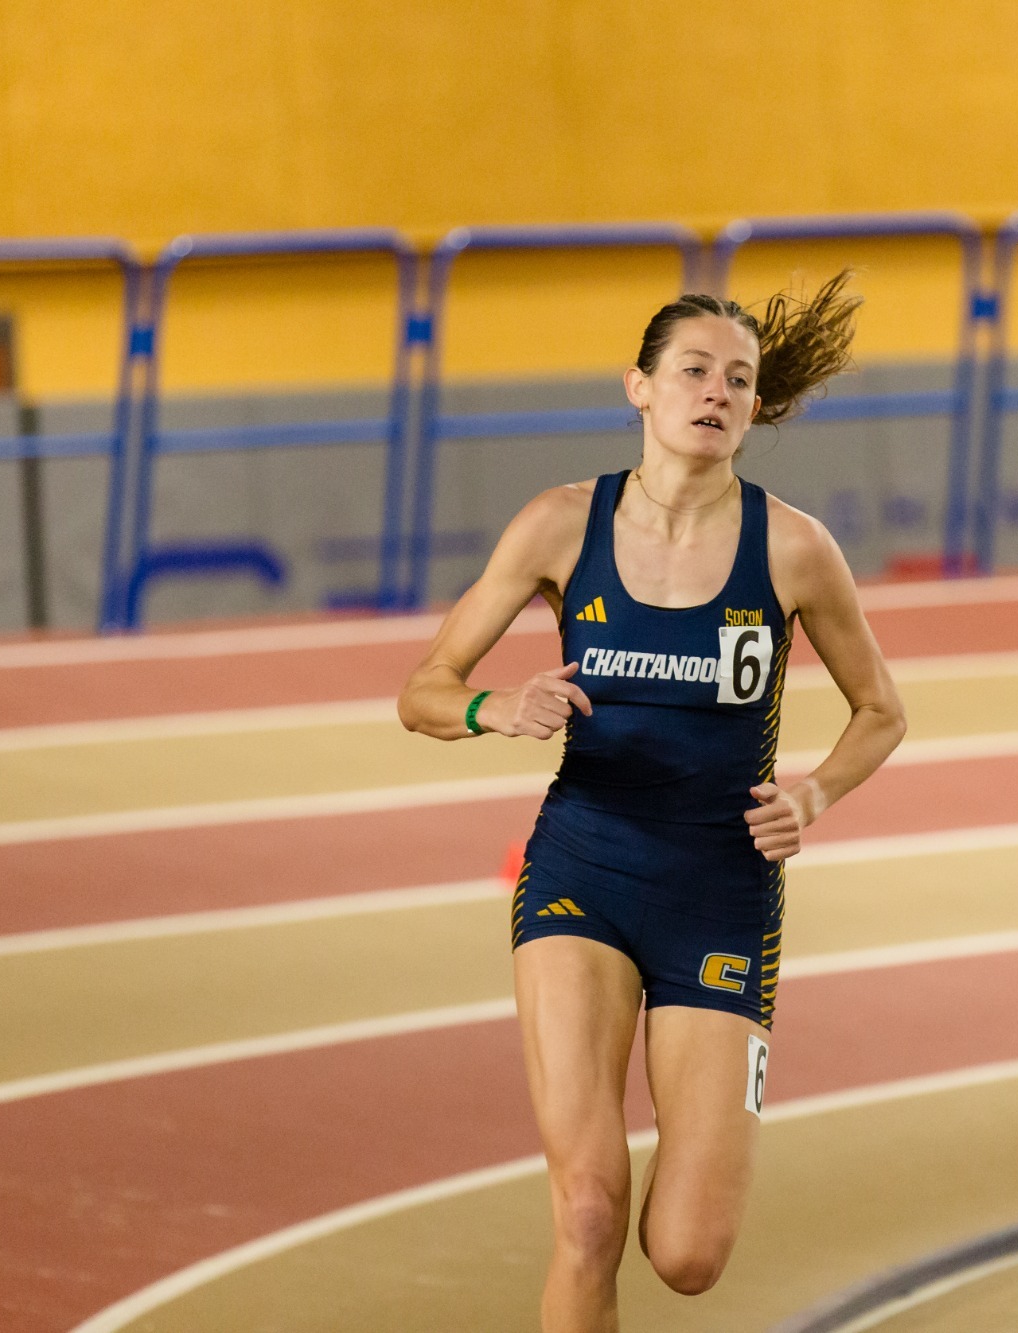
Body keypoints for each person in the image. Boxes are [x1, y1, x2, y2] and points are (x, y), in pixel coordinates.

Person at [398, 272, 907, 1331]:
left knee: (685, 1253)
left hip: (721, 892)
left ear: (755, 407)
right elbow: (424, 691)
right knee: (586, 1211)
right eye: (691, 371)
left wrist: (810, 797)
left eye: (738, 379)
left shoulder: (793, 548)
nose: (714, 393)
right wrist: (500, 707)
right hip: (582, 868)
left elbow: (880, 712)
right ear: (638, 387)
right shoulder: (556, 526)